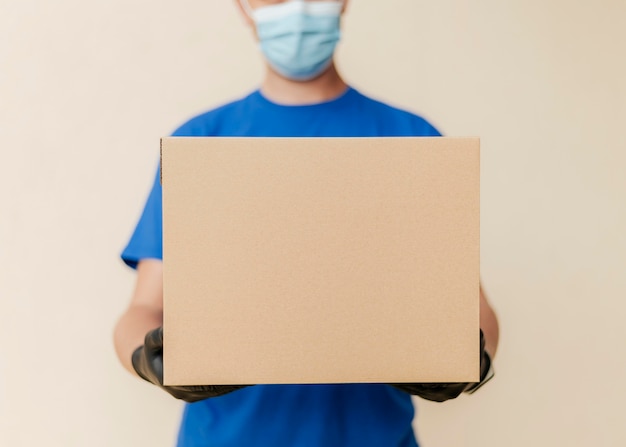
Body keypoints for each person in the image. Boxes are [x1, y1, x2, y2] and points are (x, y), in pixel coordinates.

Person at [113, 0, 500, 446]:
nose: (294, 6)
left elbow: (476, 311)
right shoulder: (200, 144)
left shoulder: (412, 140)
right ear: (243, 6)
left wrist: (473, 358)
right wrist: (149, 358)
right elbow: (141, 310)